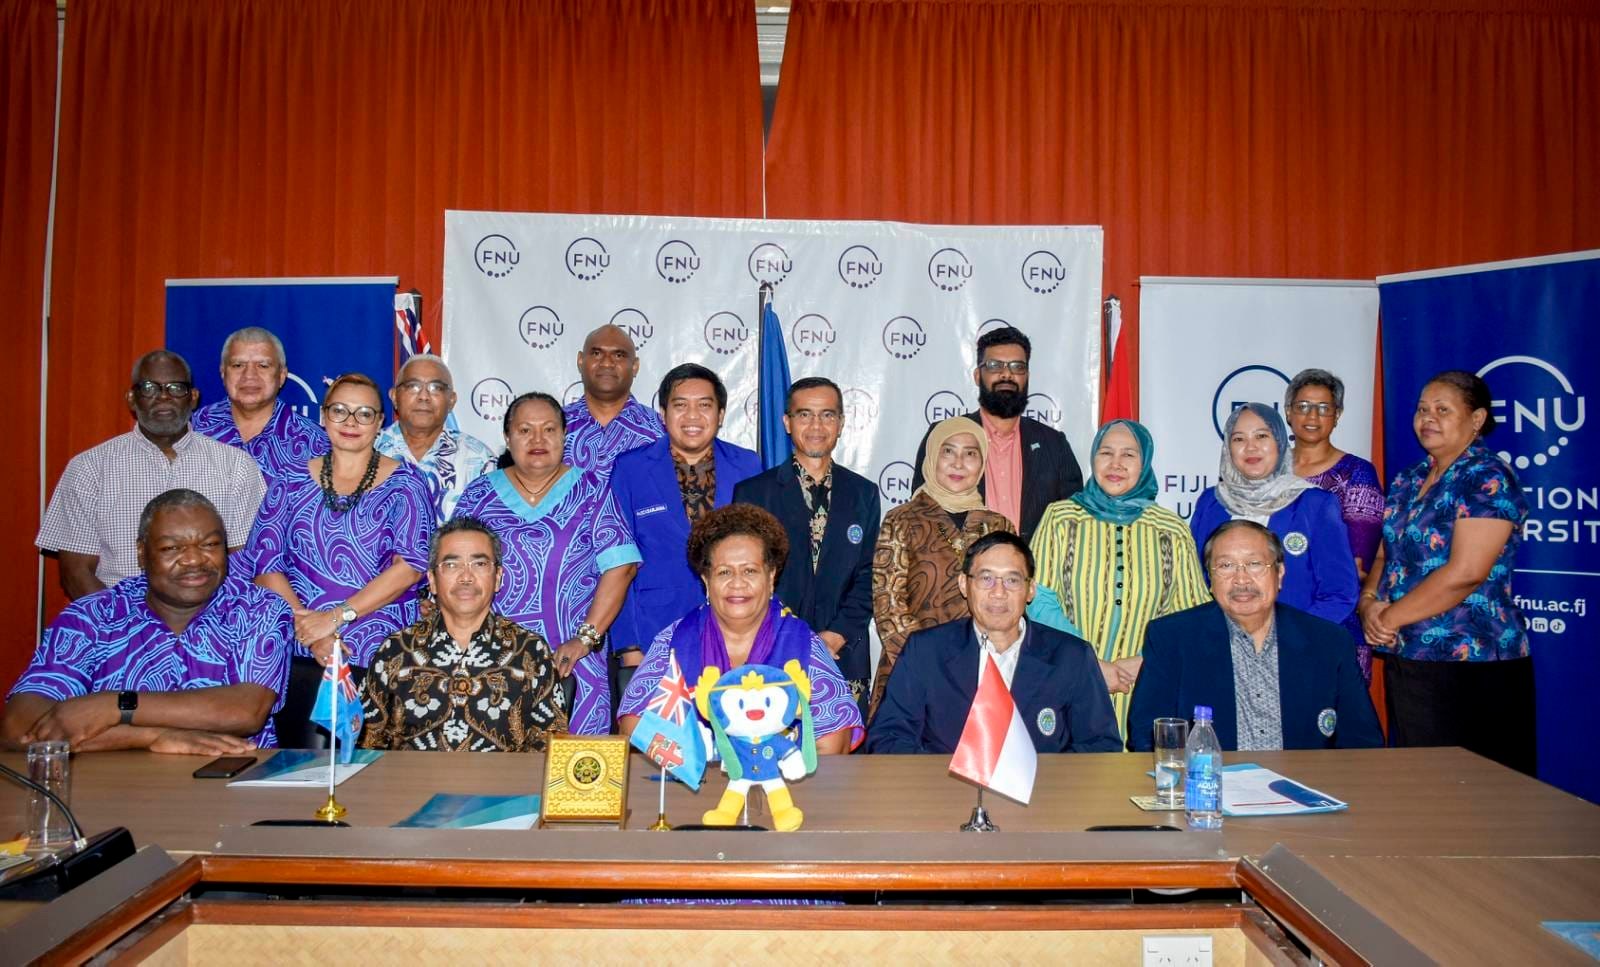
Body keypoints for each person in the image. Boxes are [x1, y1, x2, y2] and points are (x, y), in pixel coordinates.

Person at [3, 490, 290, 753]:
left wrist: (114, 706)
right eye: (171, 548)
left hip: (233, 784)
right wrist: (151, 736)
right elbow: (21, 727)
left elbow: (245, 711)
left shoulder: (258, 608)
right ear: (142, 553)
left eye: (210, 544)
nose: (193, 559)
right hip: (111, 790)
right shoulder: (94, 616)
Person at [242, 373, 433, 742]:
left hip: (380, 644)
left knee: (377, 769)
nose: (350, 422)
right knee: (296, 769)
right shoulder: (289, 480)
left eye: (364, 414)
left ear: (380, 422)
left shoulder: (407, 484)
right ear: (323, 416)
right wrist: (311, 632)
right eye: (340, 411)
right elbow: (265, 564)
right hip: (299, 640)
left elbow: (410, 567)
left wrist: (336, 618)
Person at [1360, 370, 1533, 775]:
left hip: (1473, 662)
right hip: (1410, 655)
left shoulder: (1488, 477)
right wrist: (1367, 603)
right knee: (1420, 785)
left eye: (1442, 409)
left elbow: (1466, 573)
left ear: (1476, 420)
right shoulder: (1409, 478)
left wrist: (1388, 617)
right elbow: (1385, 555)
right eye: (1422, 409)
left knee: (1479, 796)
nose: (1427, 418)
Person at [453, 391, 640, 735]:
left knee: (577, 775)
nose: (538, 439)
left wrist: (585, 638)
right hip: (487, 660)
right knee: (488, 770)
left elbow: (622, 566)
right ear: (508, 438)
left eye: (549, 429)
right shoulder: (479, 494)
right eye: (525, 430)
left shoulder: (592, 489)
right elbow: (453, 569)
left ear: (564, 436)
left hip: (573, 659)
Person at [618, 504, 863, 753]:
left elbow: (832, 743)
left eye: (749, 571)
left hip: (786, 786)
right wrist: (694, 769)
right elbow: (633, 726)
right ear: (706, 580)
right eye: (724, 572)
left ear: (770, 578)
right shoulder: (673, 641)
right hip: (693, 785)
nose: (737, 583)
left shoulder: (804, 644)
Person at [1128, 520, 1382, 752]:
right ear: (1210, 579)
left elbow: (1362, 741)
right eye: (1225, 566)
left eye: (1254, 564)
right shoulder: (1172, 638)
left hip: (1303, 791)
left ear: (1280, 573)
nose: (1241, 579)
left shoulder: (1328, 642)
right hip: (1209, 789)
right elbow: (1148, 735)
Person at [37, 350, 266, 599]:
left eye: (176, 388)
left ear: (193, 398)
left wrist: (210, 629)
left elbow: (246, 566)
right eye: (149, 388)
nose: (164, 397)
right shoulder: (90, 468)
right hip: (118, 625)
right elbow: (76, 573)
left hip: (212, 625)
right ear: (132, 399)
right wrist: (125, 631)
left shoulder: (236, 466)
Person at [867, 532, 1121, 755]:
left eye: (1012, 580)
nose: (998, 592)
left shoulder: (1072, 656)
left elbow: (1100, 744)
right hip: (944, 799)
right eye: (986, 578)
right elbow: (888, 738)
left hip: (1040, 800)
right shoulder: (925, 650)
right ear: (964, 585)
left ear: (1031, 589)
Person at [1029, 420, 1208, 733]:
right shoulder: (1060, 518)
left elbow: (1190, 615)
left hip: (1144, 684)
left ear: (1145, 463)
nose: (1115, 464)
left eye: (1129, 455)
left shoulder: (1171, 529)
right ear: (1093, 459)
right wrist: (1090, 664)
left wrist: (1146, 662)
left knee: (1139, 774)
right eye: (1106, 453)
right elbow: (1039, 600)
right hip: (1069, 678)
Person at [733, 377, 880, 718]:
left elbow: (870, 574)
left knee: (844, 766)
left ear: (841, 424)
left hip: (844, 655)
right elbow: (746, 577)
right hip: (769, 653)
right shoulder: (753, 493)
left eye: (827, 415)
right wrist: (786, 636)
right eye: (805, 415)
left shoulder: (863, 493)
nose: (816, 426)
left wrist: (837, 634)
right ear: (787, 422)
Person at [609, 364, 760, 691]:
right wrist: (629, 647)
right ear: (663, 413)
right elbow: (617, 560)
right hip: (654, 640)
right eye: (680, 405)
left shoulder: (749, 466)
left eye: (704, 405)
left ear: (721, 414)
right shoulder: (631, 469)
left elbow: (763, 559)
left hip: (736, 638)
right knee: (657, 741)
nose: (692, 415)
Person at [360, 517, 567, 751]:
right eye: (451, 565)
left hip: (504, 787)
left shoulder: (530, 650)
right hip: (412, 786)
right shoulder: (395, 650)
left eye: (479, 564)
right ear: (432, 581)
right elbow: (367, 746)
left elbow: (549, 748)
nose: (466, 577)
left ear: (498, 577)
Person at [871, 416, 1013, 719]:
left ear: (982, 462)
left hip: (986, 673)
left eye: (971, 453)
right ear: (933, 456)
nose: (959, 463)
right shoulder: (902, 520)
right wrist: (930, 670)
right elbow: (889, 608)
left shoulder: (1000, 526)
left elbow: (1010, 606)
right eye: (949, 451)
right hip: (912, 671)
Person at [1189, 403, 1359, 629]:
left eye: (1262, 436)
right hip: (1219, 645)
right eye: (1238, 439)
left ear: (1279, 442)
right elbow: (1194, 581)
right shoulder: (1211, 502)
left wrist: (1293, 639)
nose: (1251, 447)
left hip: (1296, 649)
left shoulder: (1314, 504)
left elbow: (1339, 593)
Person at [910, 326, 1083, 541]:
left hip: (1036, 572)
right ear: (977, 375)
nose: (1006, 374)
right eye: (994, 366)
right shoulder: (944, 436)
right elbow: (920, 514)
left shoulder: (1053, 444)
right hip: (960, 571)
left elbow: (1075, 523)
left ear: (1027, 376)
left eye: (1017, 367)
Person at [1286, 369, 1384, 685]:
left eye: (1324, 407)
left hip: (1331, 626)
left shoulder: (1357, 473)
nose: (1312, 415)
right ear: (1288, 412)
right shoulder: (1264, 471)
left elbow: (1357, 567)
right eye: (1302, 406)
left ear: (1337, 415)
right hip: (1262, 623)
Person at [191, 326, 329, 482]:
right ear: (223, 373)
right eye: (238, 365)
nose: (249, 375)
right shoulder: (194, 427)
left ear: (282, 376)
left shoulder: (315, 443)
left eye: (263, 366)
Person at [375, 353, 497, 522]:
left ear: (452, 400)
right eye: (413, 386)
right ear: (395, 396)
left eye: (436, 388)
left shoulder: (479, 458)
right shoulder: (368, 448)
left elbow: (490, 531)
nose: (424, 396)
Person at [563, 324, 664, 484]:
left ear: (635, 366)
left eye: (619, 355)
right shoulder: (552, 428)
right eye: (596, 353)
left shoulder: (661, 433)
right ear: (580, 361)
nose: (607, 363)